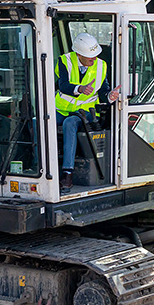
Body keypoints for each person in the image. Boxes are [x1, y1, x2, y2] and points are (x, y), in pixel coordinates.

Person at [55, 32, 120, 190]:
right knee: (39, 122)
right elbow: (63, 85)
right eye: (89, 56)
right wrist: (80, 89)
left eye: (96, 55)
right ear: (78, 54)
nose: (94, 59)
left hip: (86, 112)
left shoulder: (101, 65)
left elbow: (103, 92)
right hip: (61, 110)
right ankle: (38, 164)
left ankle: (67, 174)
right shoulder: (65, 61)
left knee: (70, 124)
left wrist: (110, 96)